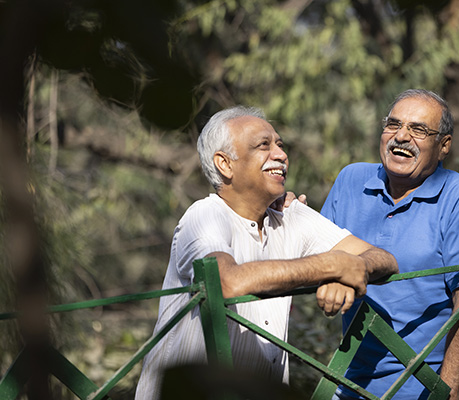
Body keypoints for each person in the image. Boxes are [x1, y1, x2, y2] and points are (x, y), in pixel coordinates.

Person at [134, 106, 398, 399]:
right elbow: (226, 282)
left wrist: (347, 272)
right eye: (264, 145)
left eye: (280, 145)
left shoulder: (290, 216)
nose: (281, 155)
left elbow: (384, 258)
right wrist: (331, 265)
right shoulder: (204, 215)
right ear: (224, 163)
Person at [320, 89, 459, 400]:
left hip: (422, 387)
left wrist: (447, 393)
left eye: (419, 130)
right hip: (349, 381)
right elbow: (313, 250)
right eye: (393, 124)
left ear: (444, 146)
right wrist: (285, 212)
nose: (401, 136)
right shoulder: (351, 180)